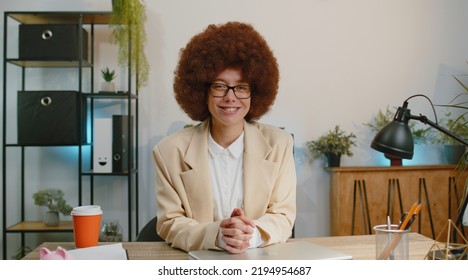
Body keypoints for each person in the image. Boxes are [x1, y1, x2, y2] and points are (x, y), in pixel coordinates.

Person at [152, 21, 296, 254]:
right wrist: (217, 235)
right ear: (202, 91)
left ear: (255, 92)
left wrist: (250, 234)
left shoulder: (279, 144)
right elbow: (169, 223)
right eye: (219, 86)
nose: (231, 97)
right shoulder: (169, 152)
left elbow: (283, 215)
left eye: (241, 87)